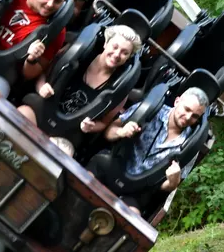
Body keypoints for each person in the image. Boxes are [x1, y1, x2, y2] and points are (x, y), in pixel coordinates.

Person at [17, 25, 143, 156]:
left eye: (124, 53)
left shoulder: (121, 86)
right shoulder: (80, 54)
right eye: (115, 47)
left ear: (128, 57)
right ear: (106, 43)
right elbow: (45, 72)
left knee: (59, 153)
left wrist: (91, 126)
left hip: (68, 131)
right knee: (17, 119)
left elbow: (104, 123)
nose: (117, 54)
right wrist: (42, 86)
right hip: (42, 110)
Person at [99, 87, 210, 213]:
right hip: (114, 166)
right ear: (177, 101)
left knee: (130, 217)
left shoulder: (190, 145)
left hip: (138, 190)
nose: (188, 117)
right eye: (187, 109)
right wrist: (121, 132)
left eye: (195, 116)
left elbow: (164, 187)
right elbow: (108, 132)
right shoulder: (150, 110)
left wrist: (173, 183)